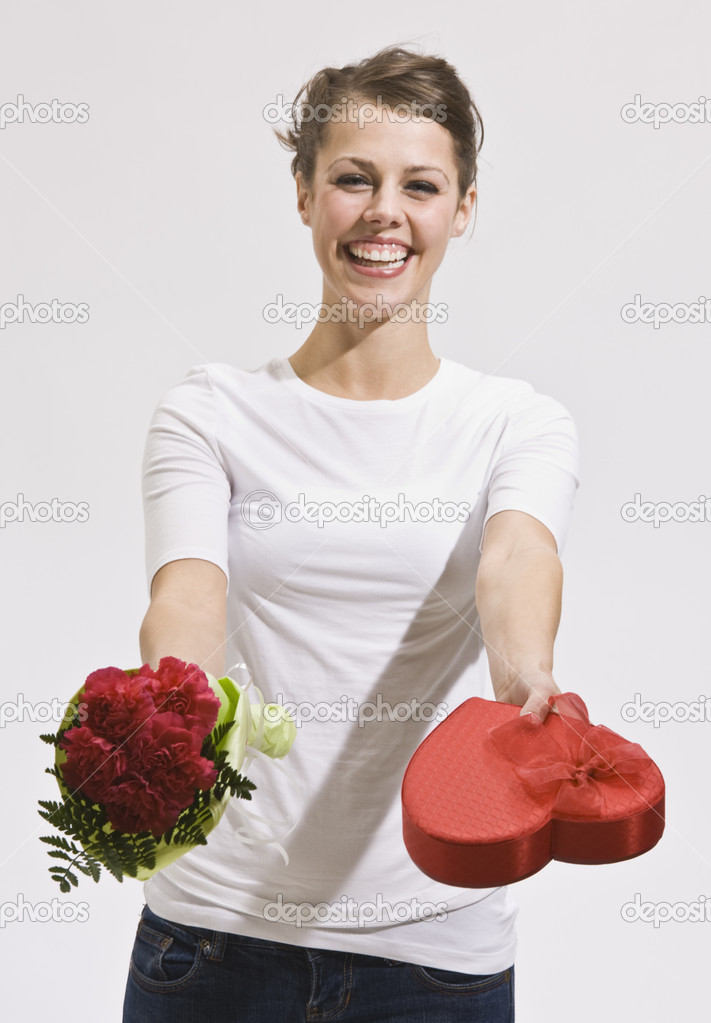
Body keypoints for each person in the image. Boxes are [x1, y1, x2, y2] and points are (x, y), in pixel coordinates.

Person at [122, 44, 579, 1023]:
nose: (385, 213)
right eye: (353, 179)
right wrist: (174, 696)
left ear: (461, 209)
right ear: (303, 193)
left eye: (421, 185)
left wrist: (523, 674)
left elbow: (517, 556)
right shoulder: (211, 412)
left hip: (434, 958)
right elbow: (190, 589)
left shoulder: (513, 421)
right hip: (209, 945)